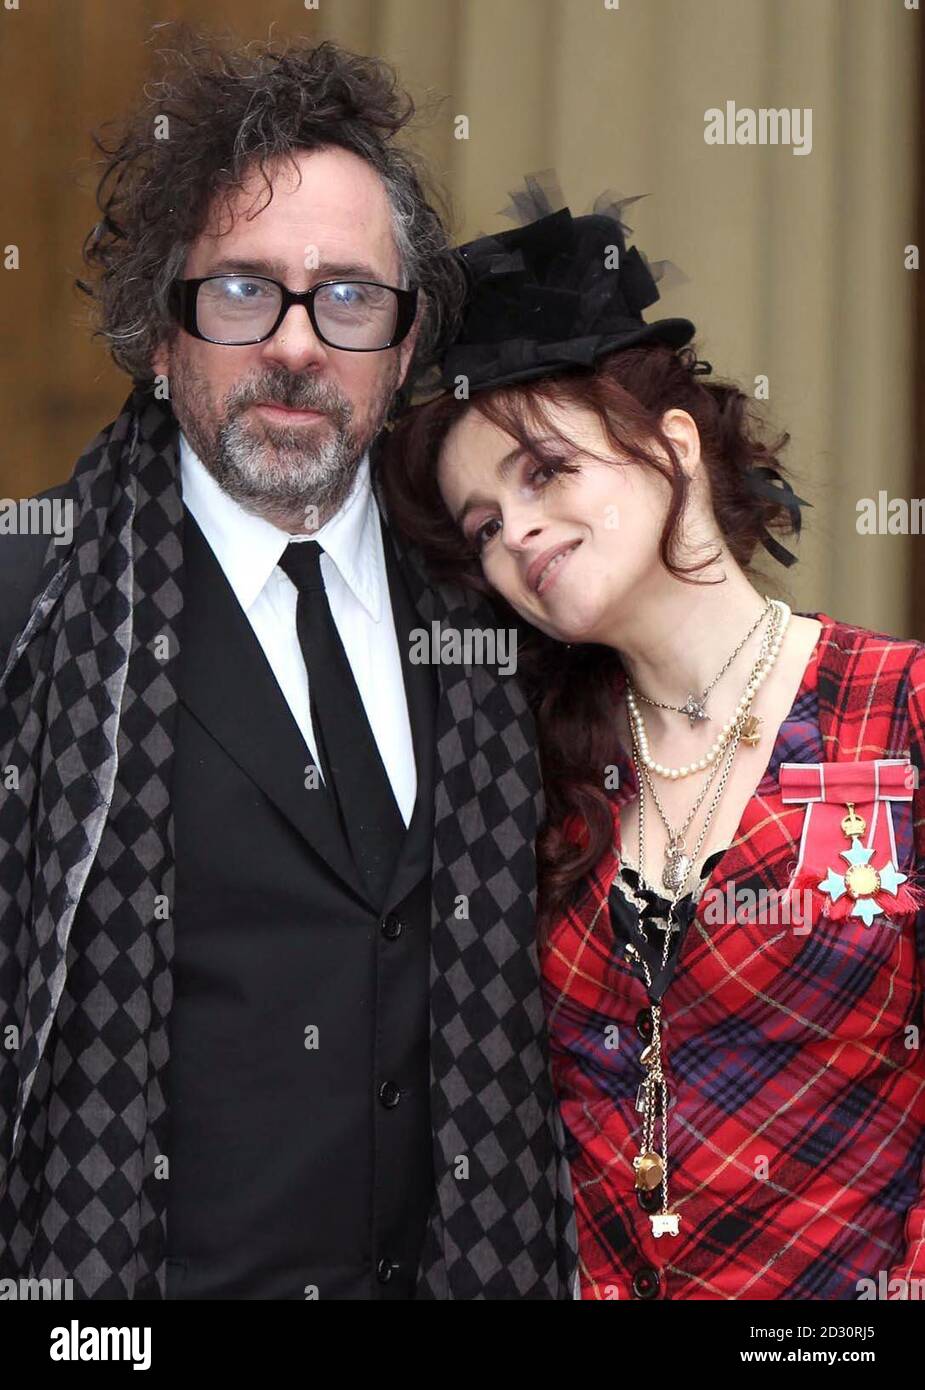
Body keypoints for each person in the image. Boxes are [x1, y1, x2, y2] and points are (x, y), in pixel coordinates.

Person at [0, 37, 578, 1301]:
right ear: (162, 332)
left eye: (349, 298)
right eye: (245, 291)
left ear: (406, 341)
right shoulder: (26, 605)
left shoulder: (507, 611)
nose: (301, 346)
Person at [380, 174, 925, 1300]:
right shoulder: (531, 774)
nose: (516, 530)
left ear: (673, 443)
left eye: (545, 470)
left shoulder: (898, 709)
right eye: (483, 524)